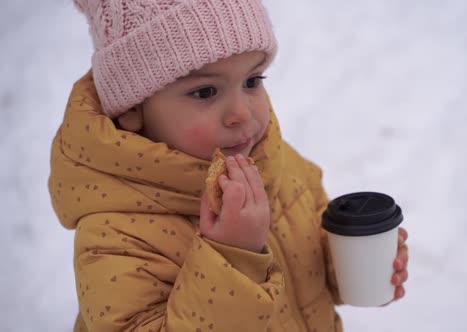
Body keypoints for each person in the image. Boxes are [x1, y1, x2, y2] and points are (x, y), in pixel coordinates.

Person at [48, 0, 410, 331]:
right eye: (205, 92)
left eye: (252, 81)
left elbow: (305, 272)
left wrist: (343, 262)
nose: (242, 113)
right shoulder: (117, 235)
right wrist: (233, 259)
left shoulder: (275, 163)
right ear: (132, 110)